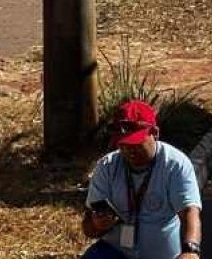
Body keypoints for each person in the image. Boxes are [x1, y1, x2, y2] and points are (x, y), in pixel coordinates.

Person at [81, 99, 202, 259]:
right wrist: (97, 224)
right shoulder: (107, 167)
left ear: (155, 133)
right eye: (123, 144)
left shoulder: (175, 164)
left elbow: (189, 212)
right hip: (116, 251)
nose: (129, 150)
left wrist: (191, 250)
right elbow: (88, 227)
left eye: (136, 143)